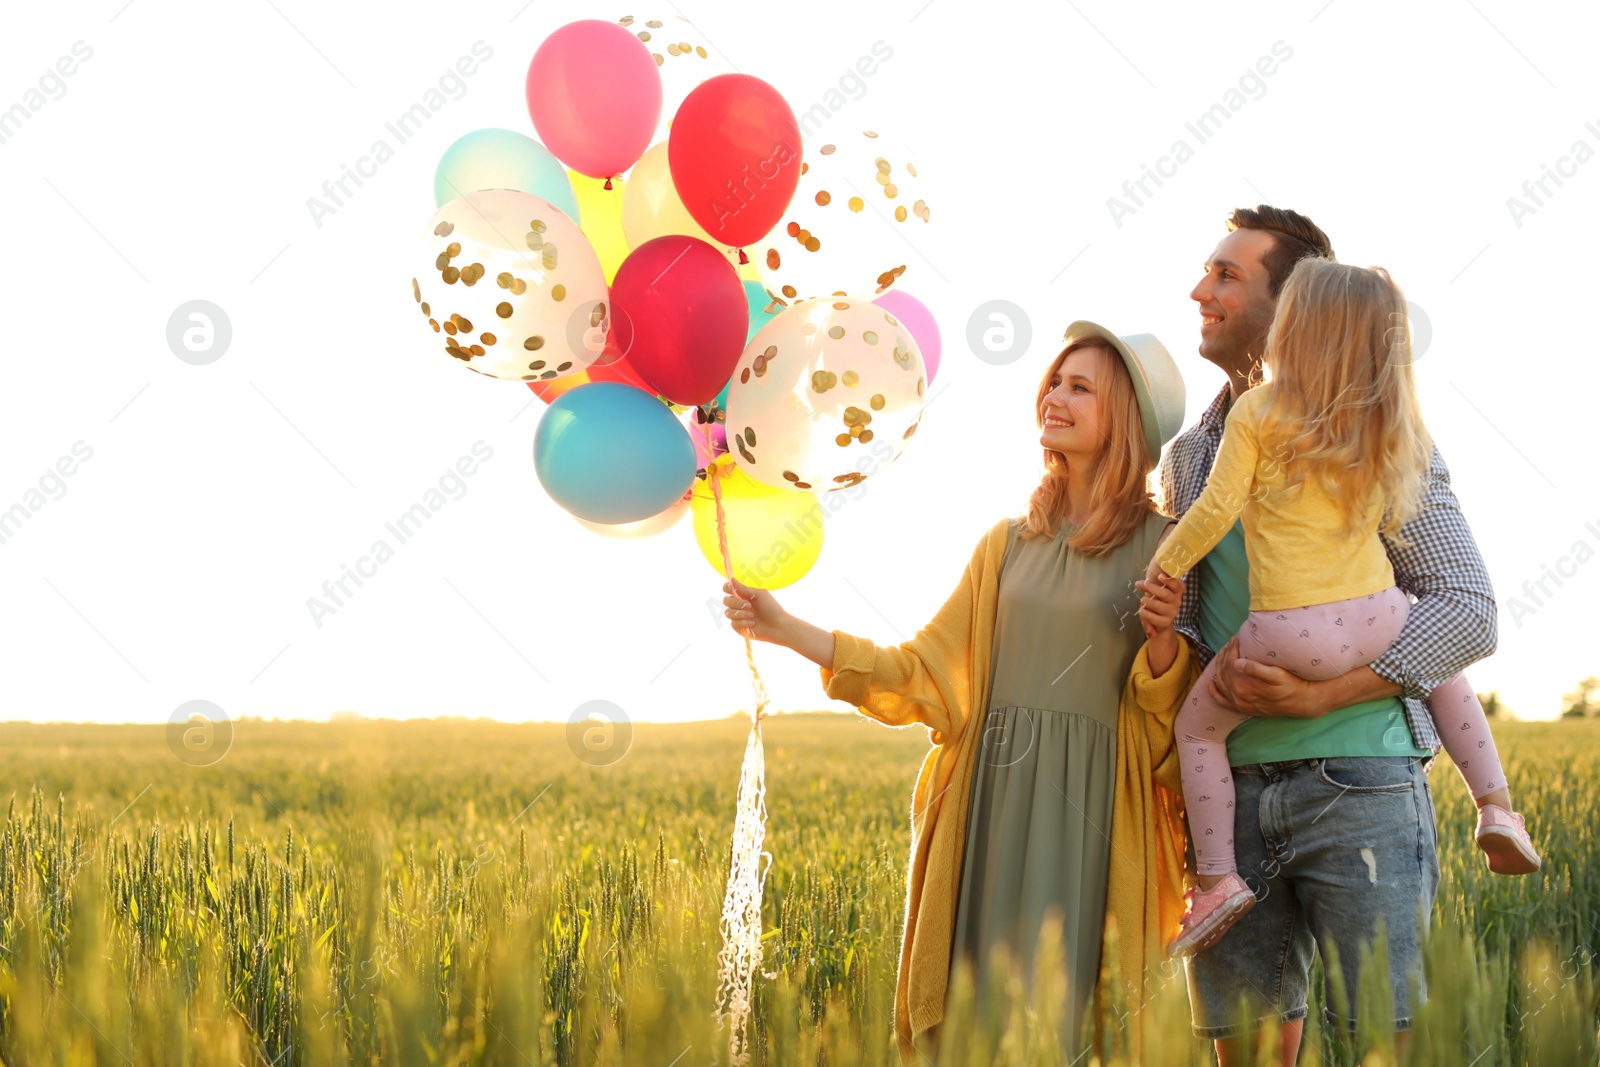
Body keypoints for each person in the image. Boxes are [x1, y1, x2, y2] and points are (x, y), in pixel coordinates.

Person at [723, 322, 1194, 1062]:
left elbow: (1170, 724)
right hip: (992, 808)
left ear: (1126, 421)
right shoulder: (1006, 544)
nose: (1055, 395)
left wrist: (1165, 639)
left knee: (1079, 1019)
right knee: (984, 1020)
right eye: (1055, 380)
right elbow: (923, 673)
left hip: (1095, 815)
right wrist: (786, 627)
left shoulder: (1166, 544)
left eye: (1081, 387)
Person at [1162, 205, 1501, 1065]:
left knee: (1375, 1046)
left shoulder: (1380, 430)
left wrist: (1321, 693)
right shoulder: (1189, 457)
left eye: (1227, 274)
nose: (1200, 289)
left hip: (1364, 780)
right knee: (1244, 1050)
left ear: (1294, 305)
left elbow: (1467, 609)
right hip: (1230, 804)